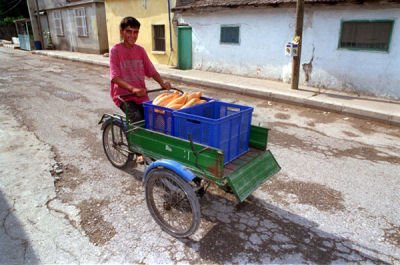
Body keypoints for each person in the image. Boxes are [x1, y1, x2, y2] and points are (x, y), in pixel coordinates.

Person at [109, 16, 171, 123]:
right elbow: (115, 78)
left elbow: (151, 71)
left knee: (155, 119)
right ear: (122, 32)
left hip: (141, 95)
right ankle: (132, 139)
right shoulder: (115, 50)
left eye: (135, 32)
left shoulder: (140, 50)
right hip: (124, 97)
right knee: (138, 119)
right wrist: (133, 89)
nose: (132, 35)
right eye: (129, 32)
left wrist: (162, 83)